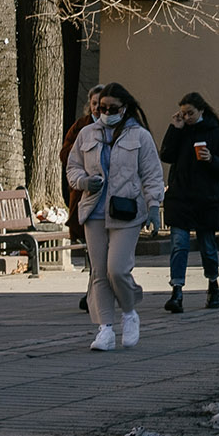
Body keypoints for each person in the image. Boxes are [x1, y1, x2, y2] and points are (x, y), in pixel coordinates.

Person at [68, 84, 165, 349]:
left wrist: (154, 206)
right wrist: (84, 182)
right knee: (99, 272)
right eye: (101, 108)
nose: (106, 112)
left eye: (113, 109)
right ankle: (105, 329)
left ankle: (130, 312)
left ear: (125, 109)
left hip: (127, 210)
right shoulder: (87, 134)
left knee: (117, 269)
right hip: (94, 210)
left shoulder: (139, 136)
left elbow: (152, 174)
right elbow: (72, 167)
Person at [159, 93, 219, 313]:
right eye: (183, 113)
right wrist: (174, 128)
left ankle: (213, 284)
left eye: (190, 113)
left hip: (206, 199)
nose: (187, 117)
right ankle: (177, 291)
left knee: (208, 247)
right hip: (181, 198)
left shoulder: (215, 132)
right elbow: (166, 155)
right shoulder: (181, 131)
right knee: (179, 244)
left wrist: (211, 159)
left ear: (201, 111)